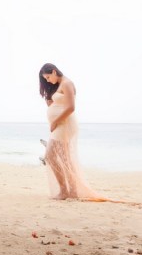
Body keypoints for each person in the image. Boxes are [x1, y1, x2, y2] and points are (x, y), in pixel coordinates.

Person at [39, 63, 108, 201]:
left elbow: (71, 107)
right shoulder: (59, 85)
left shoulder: (67, 83)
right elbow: (59, 104)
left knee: (50, 157)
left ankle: (65, 190)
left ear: (53, 71)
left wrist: (55, 121)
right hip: (60, 124)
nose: (47, 80)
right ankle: (72, 191)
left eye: (47, 77)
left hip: (64, 124)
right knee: (65, 159)